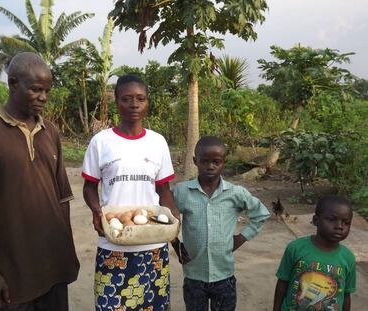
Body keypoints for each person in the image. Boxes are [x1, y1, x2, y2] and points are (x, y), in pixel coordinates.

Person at [0, 52, 79, 311]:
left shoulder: (51, 132)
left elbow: (62, 198)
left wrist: (67, 252)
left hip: (54, 267)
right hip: (13, 275)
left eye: (46, 91)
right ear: (13, 84)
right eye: (36, 90)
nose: (43, 98)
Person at [82, 73, 180, 310]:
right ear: (117, 102)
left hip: (153, 245)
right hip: (113, 243)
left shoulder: (157, 142)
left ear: (147, 102)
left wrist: (175, 224)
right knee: (111, 305)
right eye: (127, 99)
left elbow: (163, 190)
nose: (134, 104)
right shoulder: (101, 142)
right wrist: (97, 211)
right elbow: (89, 187)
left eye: (140, 98)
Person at [172, 136, 270, 311]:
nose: (210, 166)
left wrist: (241, 238)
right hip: (194, 276)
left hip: (224, 276)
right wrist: (175, 244)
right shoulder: (182, 191)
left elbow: (260, 214)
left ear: (224, 162)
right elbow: (165, 219)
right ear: (195, 161)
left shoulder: (235, 193)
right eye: (205, 161)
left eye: (216, 162)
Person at [273, 195, 356, 311]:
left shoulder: (348, 258)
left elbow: (346, 296)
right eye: (332, 220)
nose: (339, 226)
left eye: (346, 222)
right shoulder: (295, 248)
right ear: (316, 220)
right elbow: (282, 284)